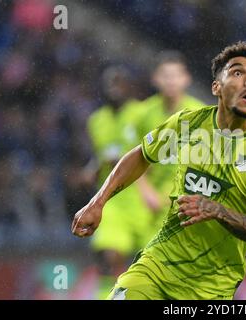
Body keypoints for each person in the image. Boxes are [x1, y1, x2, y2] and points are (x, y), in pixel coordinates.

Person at [72, 41, 246, 300]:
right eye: (238, 73)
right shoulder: (189, 123)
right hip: (159, 263)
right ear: (216, 87)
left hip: (212, 284)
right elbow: (141, 155)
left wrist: (218, 210)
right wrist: (98, 202)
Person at [84, 65, 155, 299]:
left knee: (150, 262)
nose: (114, 88)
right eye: (110, 83)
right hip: (111, 199)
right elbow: (100, 154)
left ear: (129, 86)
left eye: (119, 82)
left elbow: (156, 153)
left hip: (142, 196)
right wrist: (93, 168)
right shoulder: (96, 120)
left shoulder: (143, 113)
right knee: (109, 255)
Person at [129, 51, 205, 238]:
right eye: (166, 76)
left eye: (176, 75)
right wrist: (146, 192)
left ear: (186, 79)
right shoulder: (142, 114)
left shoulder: (200, 113)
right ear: (155, 79)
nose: (171, 81)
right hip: (151, 203)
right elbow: (132, 158)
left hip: (187, 200)